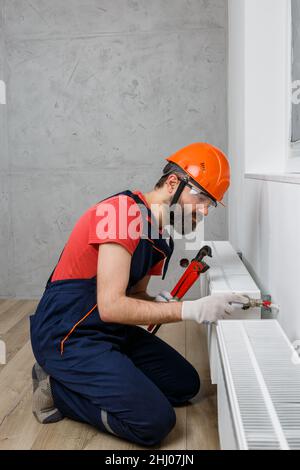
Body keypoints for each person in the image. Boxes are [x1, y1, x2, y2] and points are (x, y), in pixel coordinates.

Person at [30, 142, 248, 447]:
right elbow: (111, 306)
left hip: (108, 330)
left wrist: (156, 302)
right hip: (67, 333)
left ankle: (108, 376)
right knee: (154, 421)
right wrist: (190, 310)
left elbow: (135, 295)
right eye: (201, 197)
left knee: (184, 385)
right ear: (174, 182)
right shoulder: (120, 214)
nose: (205, 209)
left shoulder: (161, 240)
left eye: (211, 203)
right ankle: (56, 389)